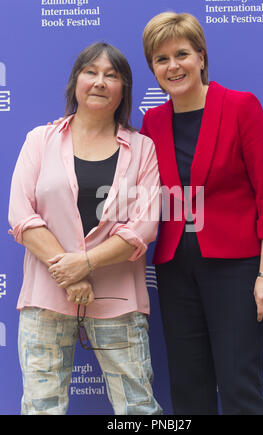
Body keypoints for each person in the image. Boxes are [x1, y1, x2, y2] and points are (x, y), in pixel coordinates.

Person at [140, 12, 263, 415]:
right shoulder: (153, 121)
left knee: (238, 386)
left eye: (182, 54)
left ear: (202, 57)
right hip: (175, 271)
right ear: (152, 68)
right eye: (161, 59)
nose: (173, 66)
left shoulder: (241, 106)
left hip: (237, 269)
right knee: (188, 388)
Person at [8, 42, 162, 415]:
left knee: (138, 409)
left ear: (123, 88)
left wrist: (86, 264)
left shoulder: (142, 148)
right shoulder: (39, 140)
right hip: (46, 296)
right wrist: (70, 270)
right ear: (75, 81)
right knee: (41, 407)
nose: (100, 82)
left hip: (117, 300)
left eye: (112, 75)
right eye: (91, 72)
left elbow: (143, 226)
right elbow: (21, 215)